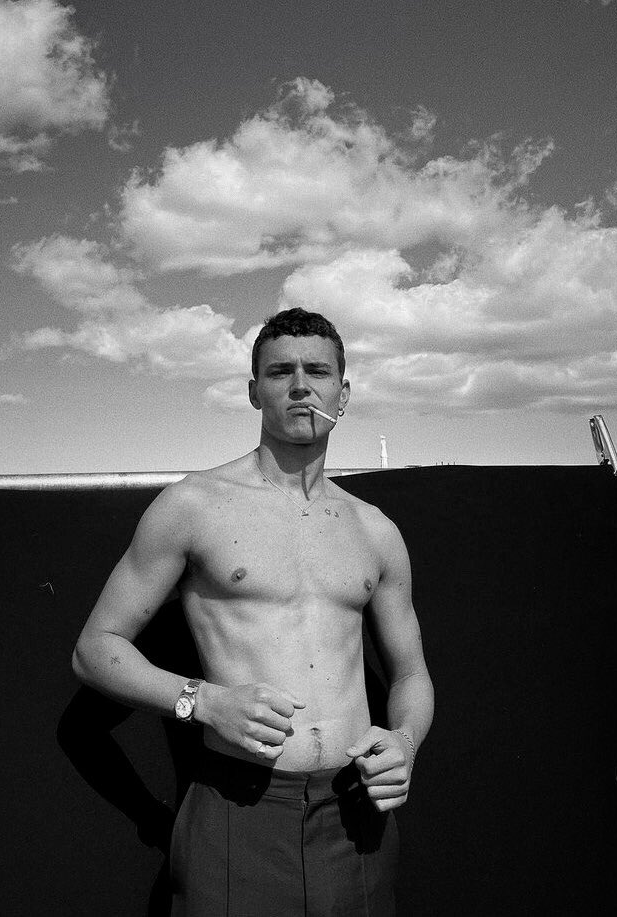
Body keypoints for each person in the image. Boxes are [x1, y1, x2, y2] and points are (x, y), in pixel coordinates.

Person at [72, 307, 434, 916]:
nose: (300, 386)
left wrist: (405, 742)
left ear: (343, 393)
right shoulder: (193, 506)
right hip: (237, 811)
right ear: (253, 391)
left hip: (356, 815)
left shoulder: (375, 530)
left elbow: (411, 674)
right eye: (280, 372)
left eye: (318, 372)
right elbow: (95, 649)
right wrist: (203, 701)